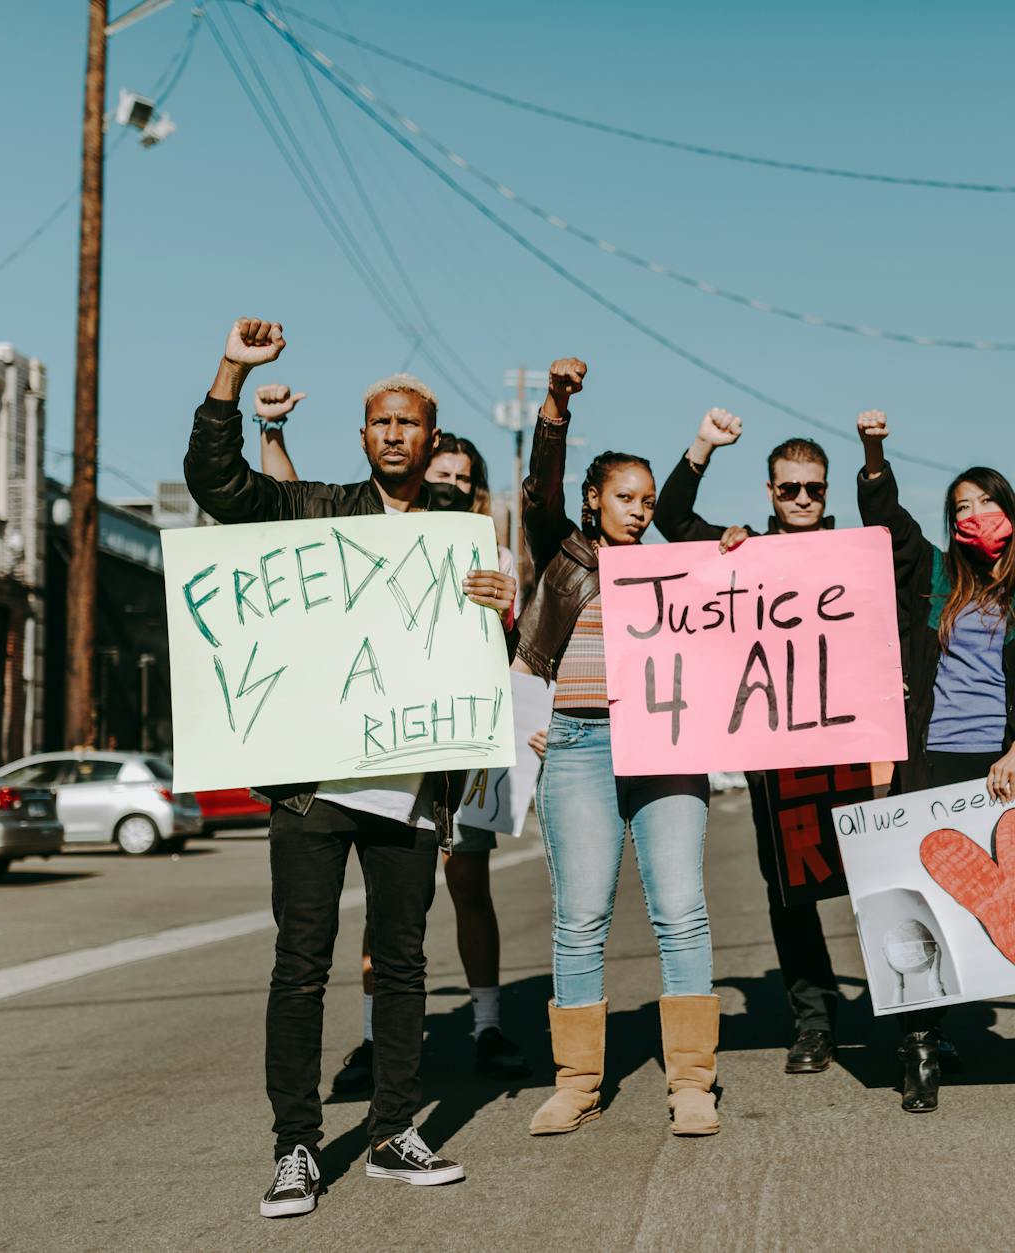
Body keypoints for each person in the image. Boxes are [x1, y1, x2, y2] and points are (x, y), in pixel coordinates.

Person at [183, 319, 518, 1217]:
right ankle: (295, 1147)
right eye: (382, 423)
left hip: (409, 787)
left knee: (403, 962)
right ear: (363, 436)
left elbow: (488, 662)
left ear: (433, 439)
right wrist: (232, 373)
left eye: (412, 423)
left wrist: (502, 608)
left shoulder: (462, 533)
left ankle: (394, 1131)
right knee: (301, 963)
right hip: (312, 787)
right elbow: (216, 484)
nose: (397, 435)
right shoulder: (317, 509)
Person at [253, 389, 529, 1086]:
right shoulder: (360, 527)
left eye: (463, 481)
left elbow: (504, 658)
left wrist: (502, 618)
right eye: (445, 477)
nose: (449, 486)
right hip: (368, 756)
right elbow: (288, 512)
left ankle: (486, 1023)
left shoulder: (485, 558)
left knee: (466, 887)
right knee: (383, 915)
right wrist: (272, 429)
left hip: (447, 754)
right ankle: (378, 1039)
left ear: (472, 490)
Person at [854, 407, 1015, 1114]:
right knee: (923, 909)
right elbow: (885, 519)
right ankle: (920, 1046)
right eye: (962, 506)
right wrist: (874, 450)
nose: (975, 513)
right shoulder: (932, 578)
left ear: (1010, 509)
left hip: (1011, 763)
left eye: (986, 501)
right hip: (934, 763)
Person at [513, 358, 721, 1137]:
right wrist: (555, 407)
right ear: (594, 500)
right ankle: (577, 1083)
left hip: (667, 744)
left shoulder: (677, 565)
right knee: (579, 917)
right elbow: (538, 488)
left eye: (648, 502)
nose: (639, 512)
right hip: (578, 744)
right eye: (624, 499)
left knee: (681, 910)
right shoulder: (564, 552)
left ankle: (692, 1083)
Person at [652, 407, 844, 1075]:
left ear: (827, 492)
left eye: (812, 488)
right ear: (769, 492)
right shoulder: (743, 554)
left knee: (880, 880)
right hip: (776, 757)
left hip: (853, 747)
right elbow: (671, 518)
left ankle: (915, 1017)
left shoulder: (857, 554)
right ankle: (814, 1020)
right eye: (788, 488)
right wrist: (704, 443)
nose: (800, 499)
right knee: (790, 892)